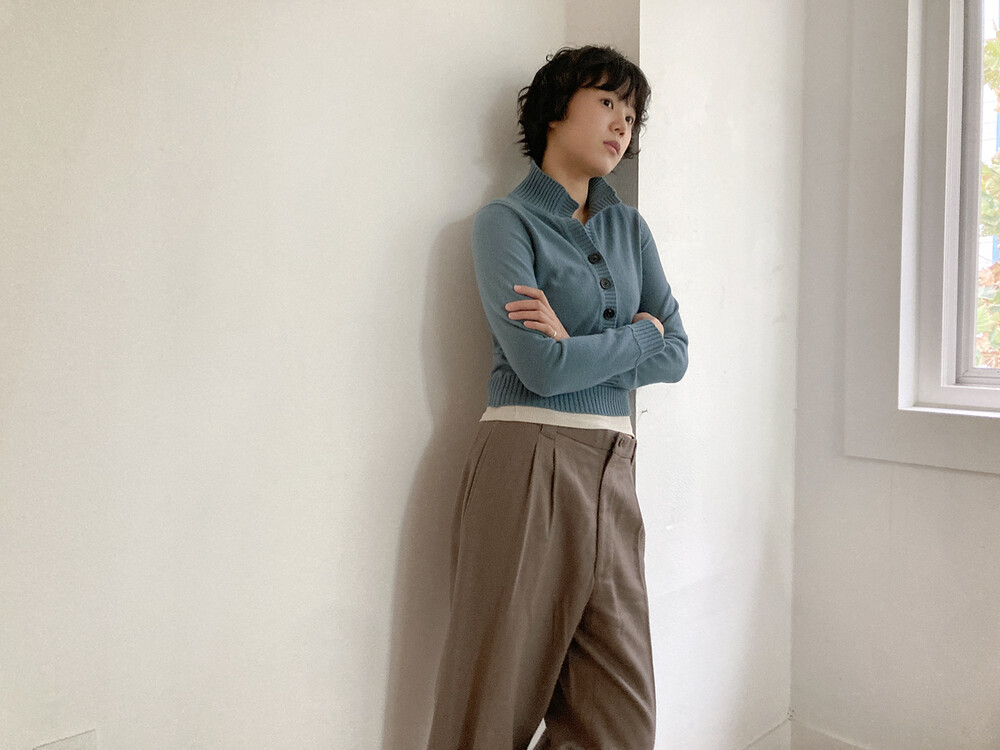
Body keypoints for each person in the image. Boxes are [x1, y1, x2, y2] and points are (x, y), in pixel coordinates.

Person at [426, 45, 688, 750]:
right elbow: (540, 367)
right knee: (490, 705)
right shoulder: (505, 223)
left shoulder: (630, 228)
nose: (623, 124)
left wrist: (586, 347)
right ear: (554, 111)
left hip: (614, 468)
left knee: (619, 724)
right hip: (527, 458)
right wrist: (640, 335)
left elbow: (678, 356)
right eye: (607, 102)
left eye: (632, 113)